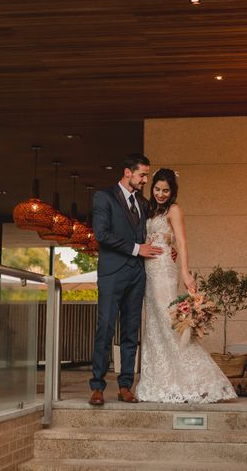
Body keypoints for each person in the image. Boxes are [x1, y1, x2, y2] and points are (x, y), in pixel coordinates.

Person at [135, 168, 236, 403]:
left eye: (166, 190)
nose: (161, 194)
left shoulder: (174, 210)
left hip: (163, 270)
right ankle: (160, 382)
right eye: (157, 189)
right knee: (153, 325)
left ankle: (198, 379)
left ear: (173, 192)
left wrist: (185, 272)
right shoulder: (150, 209)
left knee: (168, 322)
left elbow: (182, 241)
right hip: (148, 270)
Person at [88, 153, 163, 406]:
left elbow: (148, 234)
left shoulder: (142, 203)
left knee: (131, 332)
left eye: (146, 175)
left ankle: (125, 386)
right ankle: (97, 386)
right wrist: (136, 249)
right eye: (142, 175)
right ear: (127, 172)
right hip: (112, 274)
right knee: (105, 328)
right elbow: (102, 234)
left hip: (137, 275)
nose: (145, 180)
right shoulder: (104, 197)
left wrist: (164, 247)